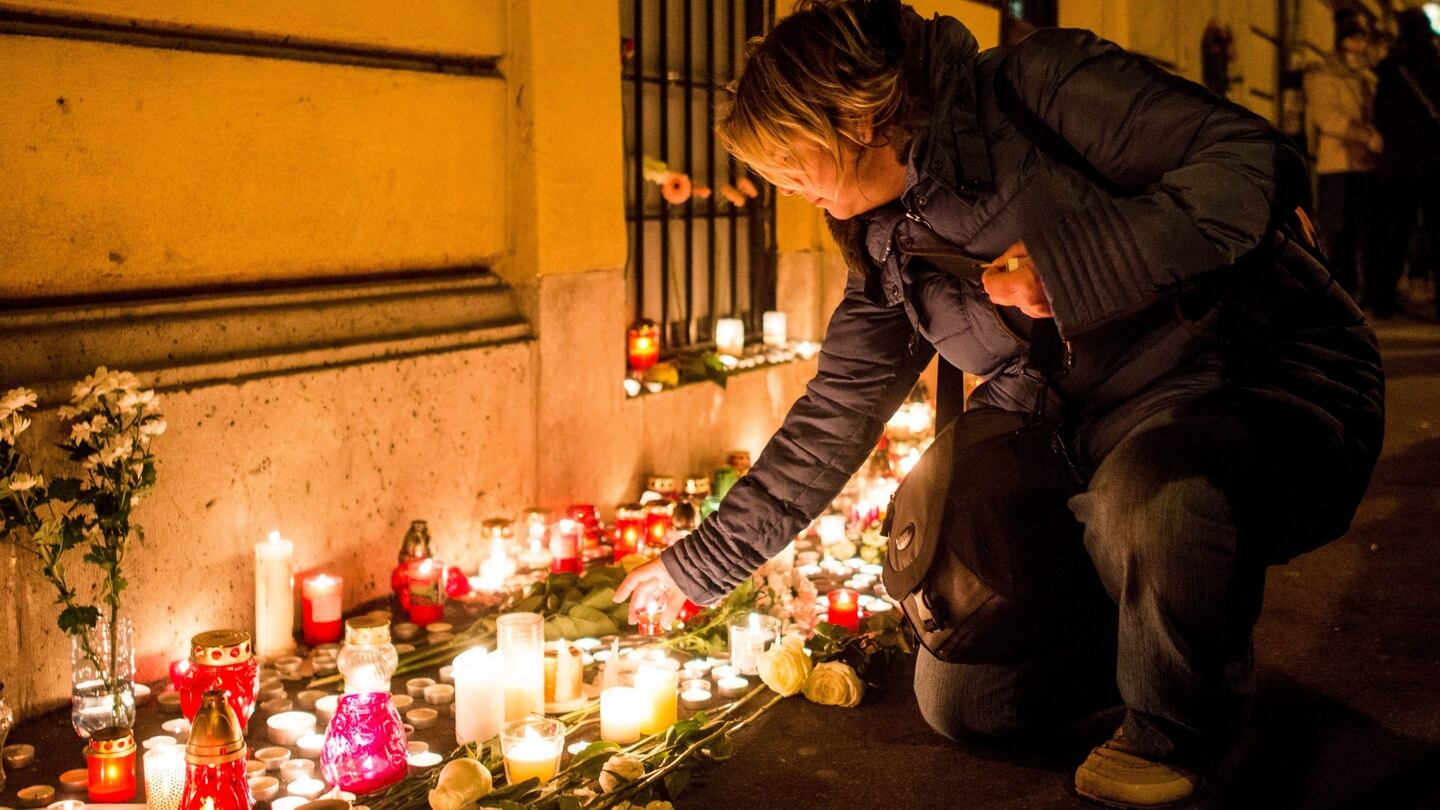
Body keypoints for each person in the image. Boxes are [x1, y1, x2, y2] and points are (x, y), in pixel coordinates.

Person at [615, 2, 1385, 807]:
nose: (780, 181)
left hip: (1250, 377)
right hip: (1075, 429)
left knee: (1152, 498)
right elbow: (834, 416)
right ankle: (1172, 634)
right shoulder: (885, 243)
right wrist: (696, 567)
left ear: (860, 117)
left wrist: (1072, 269)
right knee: (964, 700)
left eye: (786, 153)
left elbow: (1250, 162)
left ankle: (1179, 728)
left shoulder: (1038, 87)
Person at [1304, 8, 1384, 299]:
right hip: (1337, 161)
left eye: (1363, 38)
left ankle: (1358, 287)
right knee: (1337, 228)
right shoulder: (1324, 72)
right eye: (1355, 37)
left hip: (1365, 164)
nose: (1361, 44)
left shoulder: (1368, 76)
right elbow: (1327, 117)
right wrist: (1366, 135)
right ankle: (1336, 288)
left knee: (1363, 228)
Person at [1371, 8, 1440, 319]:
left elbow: (1380, 114)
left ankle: (1385, 298)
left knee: (1395, 232)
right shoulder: (1436, 63)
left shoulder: (1391, 68)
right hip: (1436, 160)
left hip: (1399, 164)